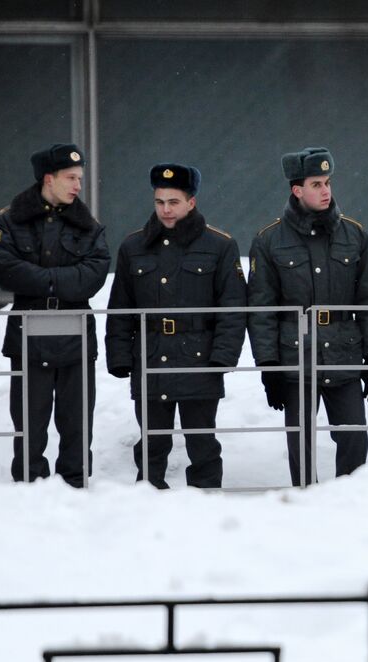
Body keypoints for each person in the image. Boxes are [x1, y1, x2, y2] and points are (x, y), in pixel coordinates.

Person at [246, 148, 368, 485]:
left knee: (354, 436)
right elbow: (262, 309)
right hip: (295, 357)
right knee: (301, 442)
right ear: (297, 190)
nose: (326, 191)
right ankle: (305, 505)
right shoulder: (269, 241)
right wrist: (268, 366)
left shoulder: (354, 235)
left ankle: (350, 500)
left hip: (344, 352)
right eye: (316, 184)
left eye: (327, 182)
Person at [104, 164, 246, 488]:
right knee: (151, 444)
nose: (166, 209)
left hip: (200, 359)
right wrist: (120, 356)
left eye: (173, 202)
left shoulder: (219, 245)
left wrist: (223, 358)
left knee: (203, 445)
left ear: (191, 203)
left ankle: (206, 503)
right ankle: (148, 506)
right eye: (159, 202)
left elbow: (234, 308)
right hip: (151, 358)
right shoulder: (133, 247)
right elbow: (121, 307)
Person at [0, 143, 110, 486]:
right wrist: (61, 282)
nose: (78, 185)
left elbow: (94, 275)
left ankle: (74, 483)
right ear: (48, 178)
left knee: (76, 420)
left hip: (74, 332)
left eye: (80, 178)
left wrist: (43, 281)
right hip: (29, 330)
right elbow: (6, 270)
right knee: (28, 420)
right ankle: (28, 484)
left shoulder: (89, 225)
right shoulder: (9, 220)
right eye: (71, 178)